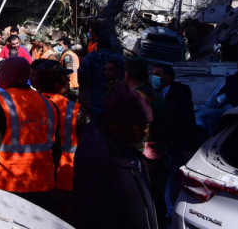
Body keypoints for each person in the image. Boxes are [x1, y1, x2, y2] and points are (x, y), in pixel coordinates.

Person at [0, 57, 60, 210]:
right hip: (43, 185)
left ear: (12, 76)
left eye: (1, 71)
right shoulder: (49, 104)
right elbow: (56, 149)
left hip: (10, 186)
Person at [74, 88, 158, 229]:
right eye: (142, 127)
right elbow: (93, 216)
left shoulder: (124, 143)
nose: (146, 133)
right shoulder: (99, 158)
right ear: (119, 125)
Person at [30, 59, 85, 224]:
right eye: (65, 77)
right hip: (67, 181)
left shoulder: (28, 106)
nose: (68, 80)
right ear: (57, 82)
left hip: (34, 180)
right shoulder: (75, 110)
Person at [127, 58, 170, 228]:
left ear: (127, 75)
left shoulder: (134, 98)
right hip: (160, 157)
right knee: (157, 202)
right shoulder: (159, 96)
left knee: (140, 205)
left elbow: (128, 133)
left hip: (140, 161)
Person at [151, 63, 197, 220]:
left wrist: (186, 146)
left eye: (157, 73)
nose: (154, 76)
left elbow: (188, 123)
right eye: (153, 73)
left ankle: (172, 212)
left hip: (176, 144)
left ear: (168, 77)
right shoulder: (155, 93)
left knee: (173, 179)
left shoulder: (180, 94)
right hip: (162, 145)